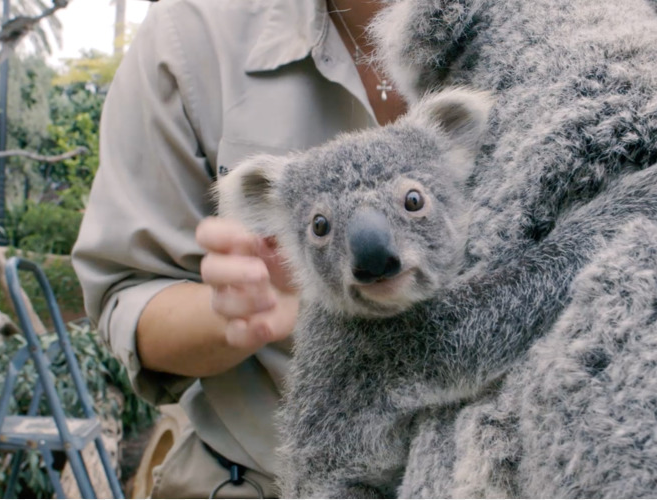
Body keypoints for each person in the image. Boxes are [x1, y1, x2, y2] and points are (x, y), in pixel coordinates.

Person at [71, 0, 407, 496]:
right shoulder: (188, 33)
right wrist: (236, 312)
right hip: (265, 477)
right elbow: (128, 293)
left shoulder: (553, 28)